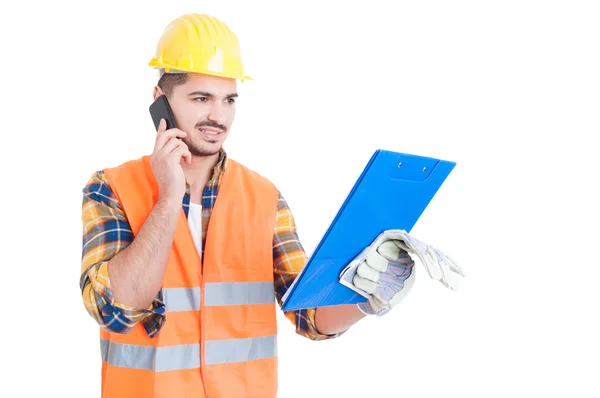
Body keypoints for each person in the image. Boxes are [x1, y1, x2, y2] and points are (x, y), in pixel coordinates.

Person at [80, 13, 460, 398]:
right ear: (161, 101)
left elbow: (310, 316)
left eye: (229, 100)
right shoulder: (111, 189)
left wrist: (367, 298)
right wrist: (167, 198)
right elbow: (113, 309)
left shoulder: (264, 198)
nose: (218, 116)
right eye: (201, 98)